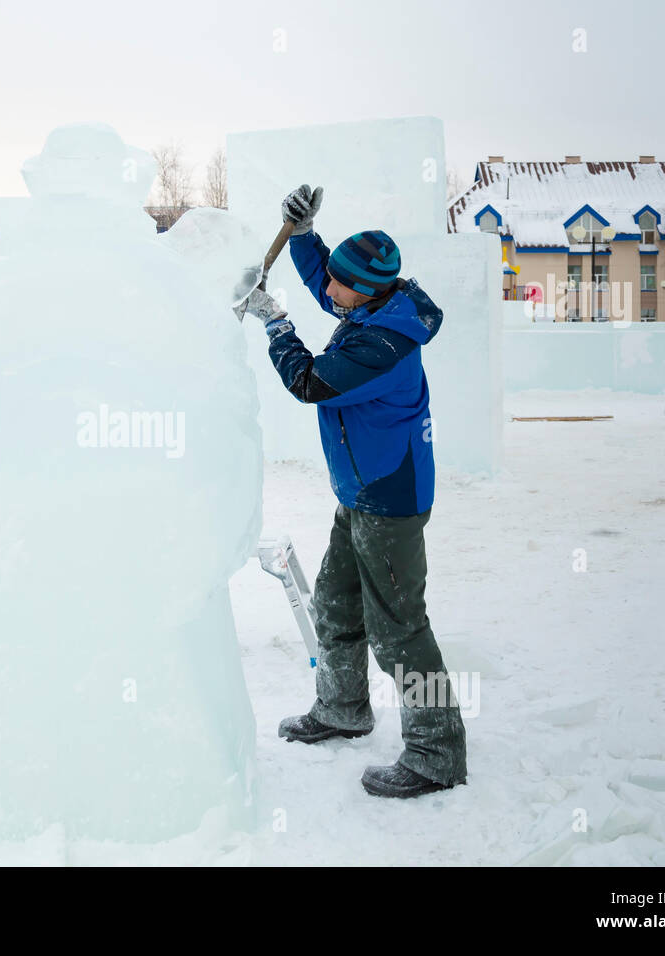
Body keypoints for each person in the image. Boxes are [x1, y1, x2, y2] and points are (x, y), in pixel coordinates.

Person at [237, 184, 468, 798]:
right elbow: (327, 283)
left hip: (389, 500)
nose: (327, 293)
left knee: (400, 628)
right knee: (338, 607)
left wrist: (276, 322)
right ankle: (343, 710)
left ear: (365, 292)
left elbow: (310, 381)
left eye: (339, 285)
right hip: (360, 493)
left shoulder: (383, 344)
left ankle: (437, 752)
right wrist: (305, 235)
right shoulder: (374, 307)